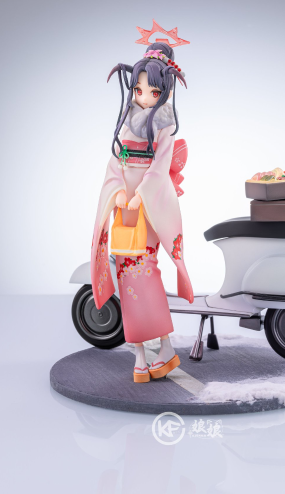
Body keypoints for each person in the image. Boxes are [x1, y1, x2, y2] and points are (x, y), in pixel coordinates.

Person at [91, 41, 194, 383]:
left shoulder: (164, 125)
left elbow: (160, 167)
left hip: (149, 208)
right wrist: (119, 190)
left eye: (152, 91)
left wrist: (141, 196)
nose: (144, 96)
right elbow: (115, 162)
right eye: (138, 89)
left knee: (146, 272)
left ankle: (164, 347)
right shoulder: (126, 120)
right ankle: (140, 353)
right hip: (125, 206)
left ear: (165, 90)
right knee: (126, 274)